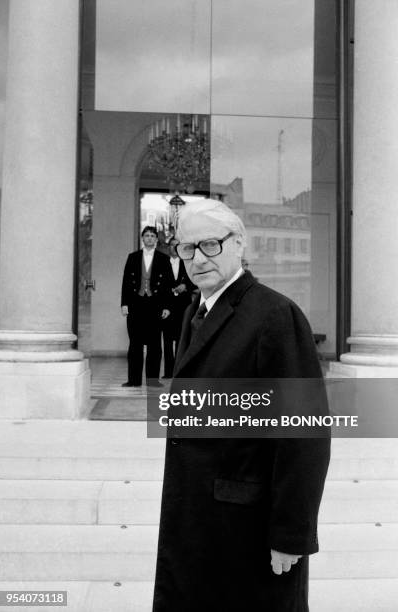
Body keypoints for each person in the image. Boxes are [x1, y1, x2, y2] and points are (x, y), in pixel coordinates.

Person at [153, 199, 330, 611]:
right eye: (186, 248)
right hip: (197, 519)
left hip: (246, 531)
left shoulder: (275, 315)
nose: (198, 258)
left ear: (239, 244)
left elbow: (304, 436)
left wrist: (290, 535)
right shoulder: (194, 313)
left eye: (210, 245)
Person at [121, 226, 172, 387]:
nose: (149, 238)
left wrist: (167, 306)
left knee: (155, 345)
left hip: (155, 304)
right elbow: (126, 283)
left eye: (152, 236)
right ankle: (133, 380)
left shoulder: (164, 259)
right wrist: (124, 304)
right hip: (136, 304)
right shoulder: (133, 257)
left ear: (156, 239)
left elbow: (167, 284)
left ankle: (152, 380)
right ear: (142, 238)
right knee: (135, 343)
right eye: (147, 235)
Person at [162, 237, 196, 379]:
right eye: (172, 245)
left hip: (183, 306)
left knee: (182, 339)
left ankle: (179, 371)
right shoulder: (162, 262)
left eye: (177, 245)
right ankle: (168, 372)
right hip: (167, 305)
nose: (174, 248)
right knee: (168, 340)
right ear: (168, 247)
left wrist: (186, 286)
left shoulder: (188, 263)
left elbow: (195, 281)